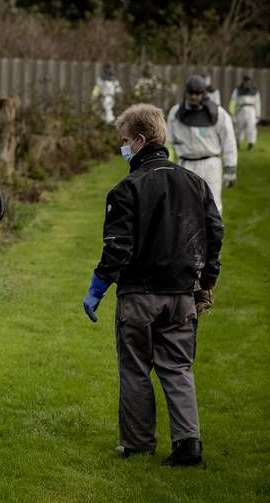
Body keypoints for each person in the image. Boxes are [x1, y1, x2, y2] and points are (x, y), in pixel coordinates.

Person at [83, 104, 223, 467]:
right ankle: (188, 444)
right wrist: (206, 283)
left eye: (125, 141)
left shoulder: (126, 189)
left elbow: (118, 247)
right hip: (182, 296)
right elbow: (214, 235)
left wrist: (98, 287)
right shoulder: (196, 184)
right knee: (177, 368)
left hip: (139, 297)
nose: (123, 148)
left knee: (134, 369)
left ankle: (137, 443)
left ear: (141, 140)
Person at [166, 75, 237, 213]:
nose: (194, 96)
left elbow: (229, 140)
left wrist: (230, 168)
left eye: (197, 93)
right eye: (191, 93)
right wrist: (167, 167)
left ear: (203, 93)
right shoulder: (175, 113)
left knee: (213, 204)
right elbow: (168, 142)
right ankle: (188, 234)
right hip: (185, 164)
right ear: (186, 92)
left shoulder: (218, 113)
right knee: (184, 204)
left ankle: (213, 234)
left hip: (210, 165)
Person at [229, 74, 261, 151]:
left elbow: (258, 103)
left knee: (251, 127)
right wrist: (232, 113)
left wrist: (258, 115)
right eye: (245, 80)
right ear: (243, 80)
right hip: (241, 110)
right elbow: (233, 102)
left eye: (248, 80)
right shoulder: (237, 90)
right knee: (239, 127)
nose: (246, 82)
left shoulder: (255, 90)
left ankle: (251, 144)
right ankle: (237, 143)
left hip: (251, 111)